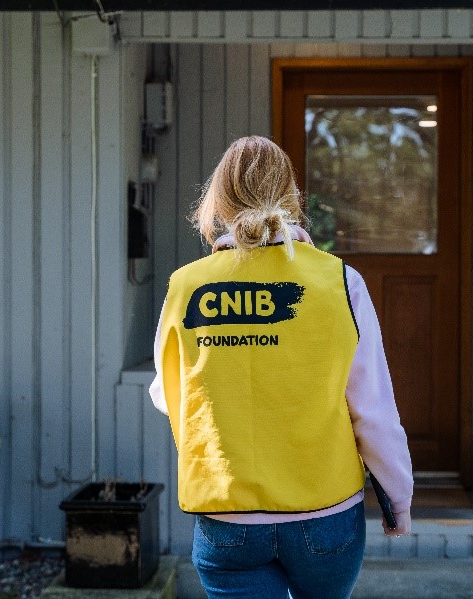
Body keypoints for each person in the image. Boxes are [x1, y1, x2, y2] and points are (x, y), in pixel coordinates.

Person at [149, 135, 413, 599]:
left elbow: (167, 394)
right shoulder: (339, 282)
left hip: (226, 515)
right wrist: (398, 500)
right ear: (291, 196)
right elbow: (372, 409)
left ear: (219, 202)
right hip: (326, 516)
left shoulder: (185, 286)